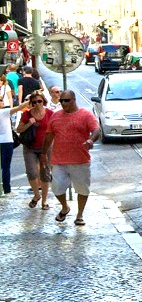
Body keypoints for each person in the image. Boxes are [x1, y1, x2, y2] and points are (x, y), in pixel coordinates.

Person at [40, 90, 100, 226]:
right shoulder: (55, 116)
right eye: (61, 101)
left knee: (82, 189)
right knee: (57, 187)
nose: (63, 103)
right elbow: (49, 136)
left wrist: (90, 140)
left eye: (66, 100)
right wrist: (43, 154)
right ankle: (65, 207)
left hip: (80, 160)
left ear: (74, 100)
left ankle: (79, 215)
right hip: (59, 160)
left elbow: (96, 130)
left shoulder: (85, 114)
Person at [17, 92, 53, 207]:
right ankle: (37, 195)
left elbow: (55, 129)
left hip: (46, 148)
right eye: (34, 102)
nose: (37, 104)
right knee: (31, 172)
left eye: (39, 101)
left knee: (45, 174)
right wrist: (29, 123)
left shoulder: (50, 113)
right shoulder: (27, 115)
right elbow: (19, 129)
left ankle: (44, 201)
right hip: (30, 148)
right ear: (31, 103)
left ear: (44, 102)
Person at [1, 97, 31, 196]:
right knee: (6, 167)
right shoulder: (4, 112)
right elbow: (20, 107)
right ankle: (7, 189)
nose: (2, 102)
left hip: (5, 141)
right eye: (1, 100)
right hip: (6, 142)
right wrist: (30, 99)